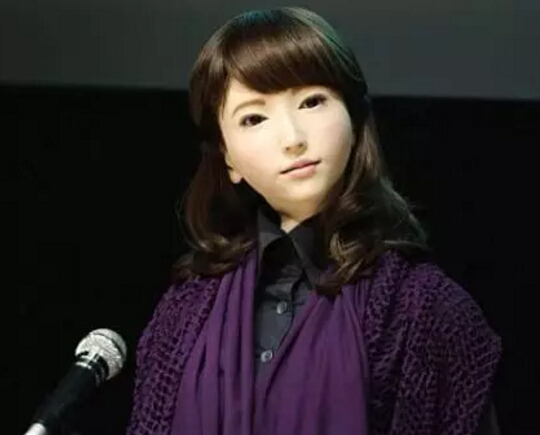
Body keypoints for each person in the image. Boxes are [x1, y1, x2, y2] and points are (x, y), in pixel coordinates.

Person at [126, 6, 502, 435]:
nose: (293, 139)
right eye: (254, 118)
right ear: (227, 157)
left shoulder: (429, 311)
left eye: (312, 101)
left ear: (354, 119)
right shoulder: (181, 314)